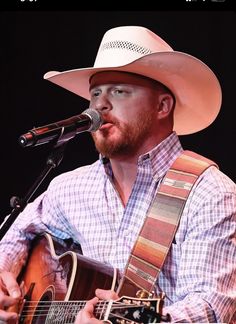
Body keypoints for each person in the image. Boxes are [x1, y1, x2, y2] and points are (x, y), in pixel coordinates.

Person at [0, 25, 235, 323]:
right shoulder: (71, 187)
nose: (100, 104)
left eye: (119, 91)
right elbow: (19, 230)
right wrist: (4, 277)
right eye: (95, 93)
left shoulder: (210, 193)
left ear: (163, 105)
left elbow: (213, 310)